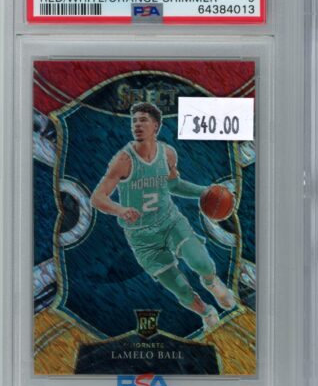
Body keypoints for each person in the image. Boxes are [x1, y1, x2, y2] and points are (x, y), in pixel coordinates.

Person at [91, 102, 235, 329]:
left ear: (156, 126)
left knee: (202, 263)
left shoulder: (167, 154)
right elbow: (97, 197)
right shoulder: (123, 160)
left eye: (143, 120)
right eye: (134, 121)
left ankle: (212, 283)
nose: (137, 125)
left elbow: (174, 185)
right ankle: (206, 312)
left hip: (170, 222)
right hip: (141, 238)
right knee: (181, 290)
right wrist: (120, 209)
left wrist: (205, 192)